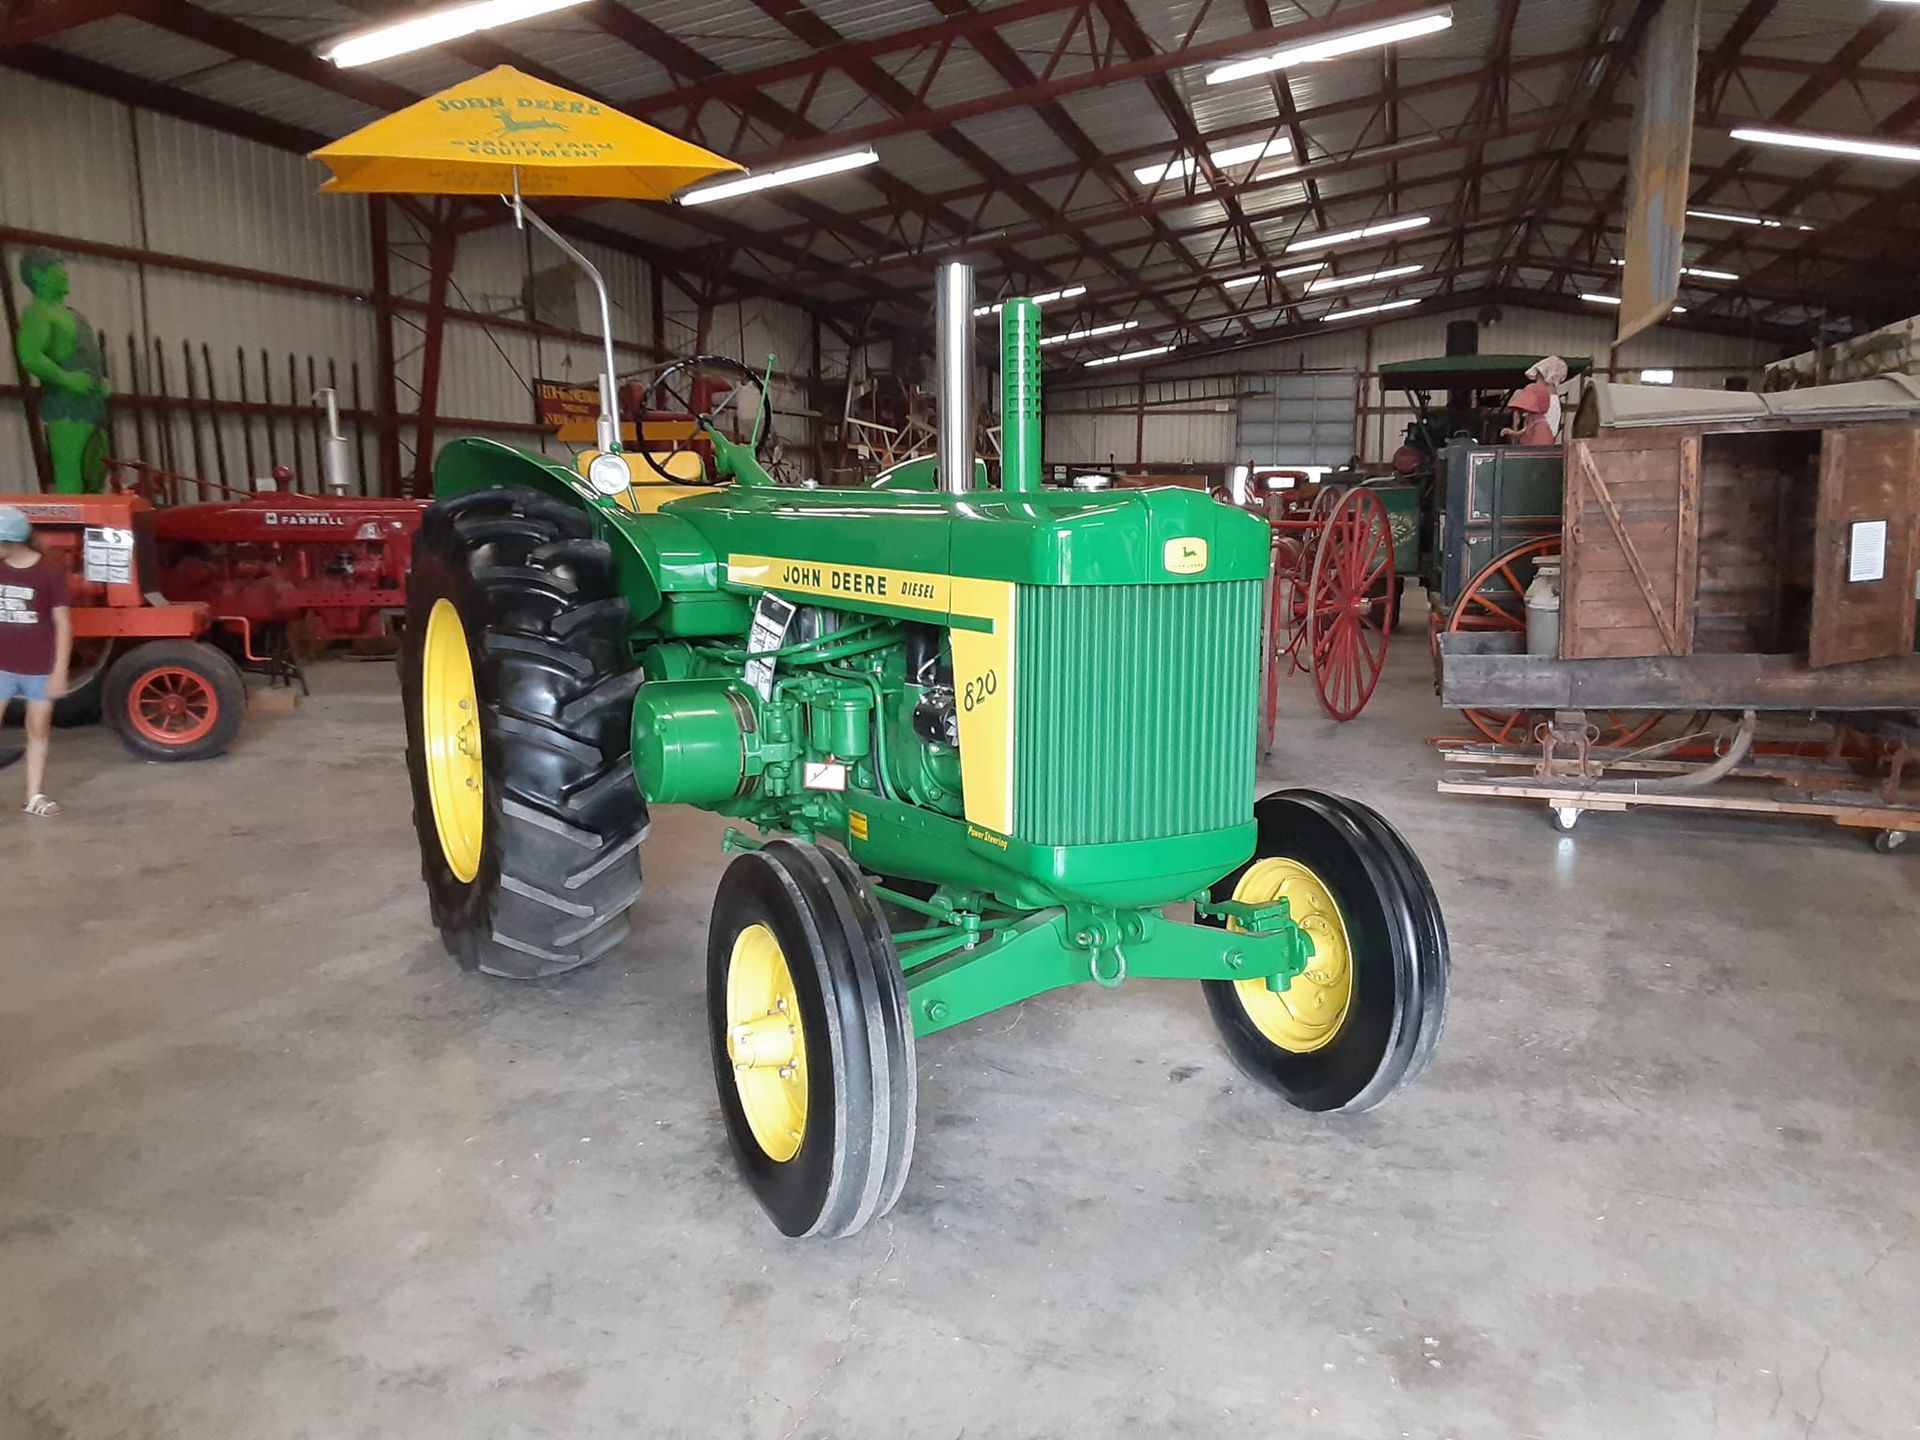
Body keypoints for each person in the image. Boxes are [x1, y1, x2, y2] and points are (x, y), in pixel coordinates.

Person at [0, 506, 71, 817]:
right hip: (1, 664)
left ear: (12, 542)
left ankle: (34, 795)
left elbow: (64, 625)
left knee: (38, 729)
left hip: (40, 667)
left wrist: (59, 672)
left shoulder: (50, 572)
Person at [1502, 355, 1569, 447]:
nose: (1538, 380)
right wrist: (1515, 433)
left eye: (1540, 376)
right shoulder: (1534, 416)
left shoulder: (1550, 403)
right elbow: (1528, 429)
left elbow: (1543, 440)